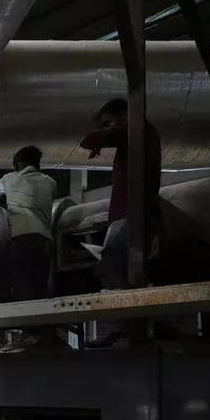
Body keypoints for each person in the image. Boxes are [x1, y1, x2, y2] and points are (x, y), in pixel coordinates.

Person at [80, 98, 162, 289]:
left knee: (111, 271)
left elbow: (88, 140)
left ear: (125, 114)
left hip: (128, 213)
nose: (108, 128)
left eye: (109, 123)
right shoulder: (144, 133)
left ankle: (122, 315)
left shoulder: (134, 129)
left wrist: (102, 136)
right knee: (128, 272)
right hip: (140, 213)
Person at [0, 145, 58, 300]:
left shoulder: (9, 178)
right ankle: (44, 322)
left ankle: (29, 324)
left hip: (23, 238)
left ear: (18, 164)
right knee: (41, 286)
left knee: (22, 285)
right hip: (46, 241)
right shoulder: (50, 182)